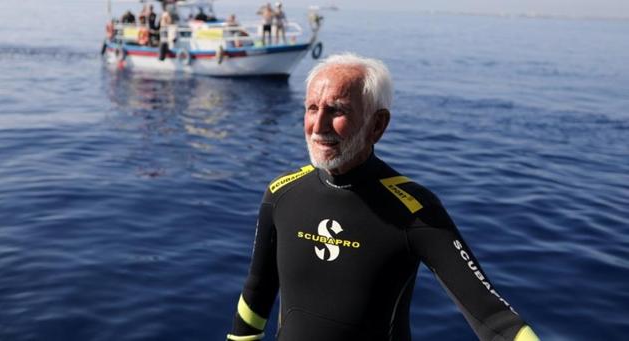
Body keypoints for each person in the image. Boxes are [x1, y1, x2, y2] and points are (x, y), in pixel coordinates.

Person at [226, 53, 541, 341]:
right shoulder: (282, 193)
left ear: (377, 125)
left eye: (337, 111)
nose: (318, 126)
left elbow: (494, 319)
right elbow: (258, 290)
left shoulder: (415, 210)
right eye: (312, 108)